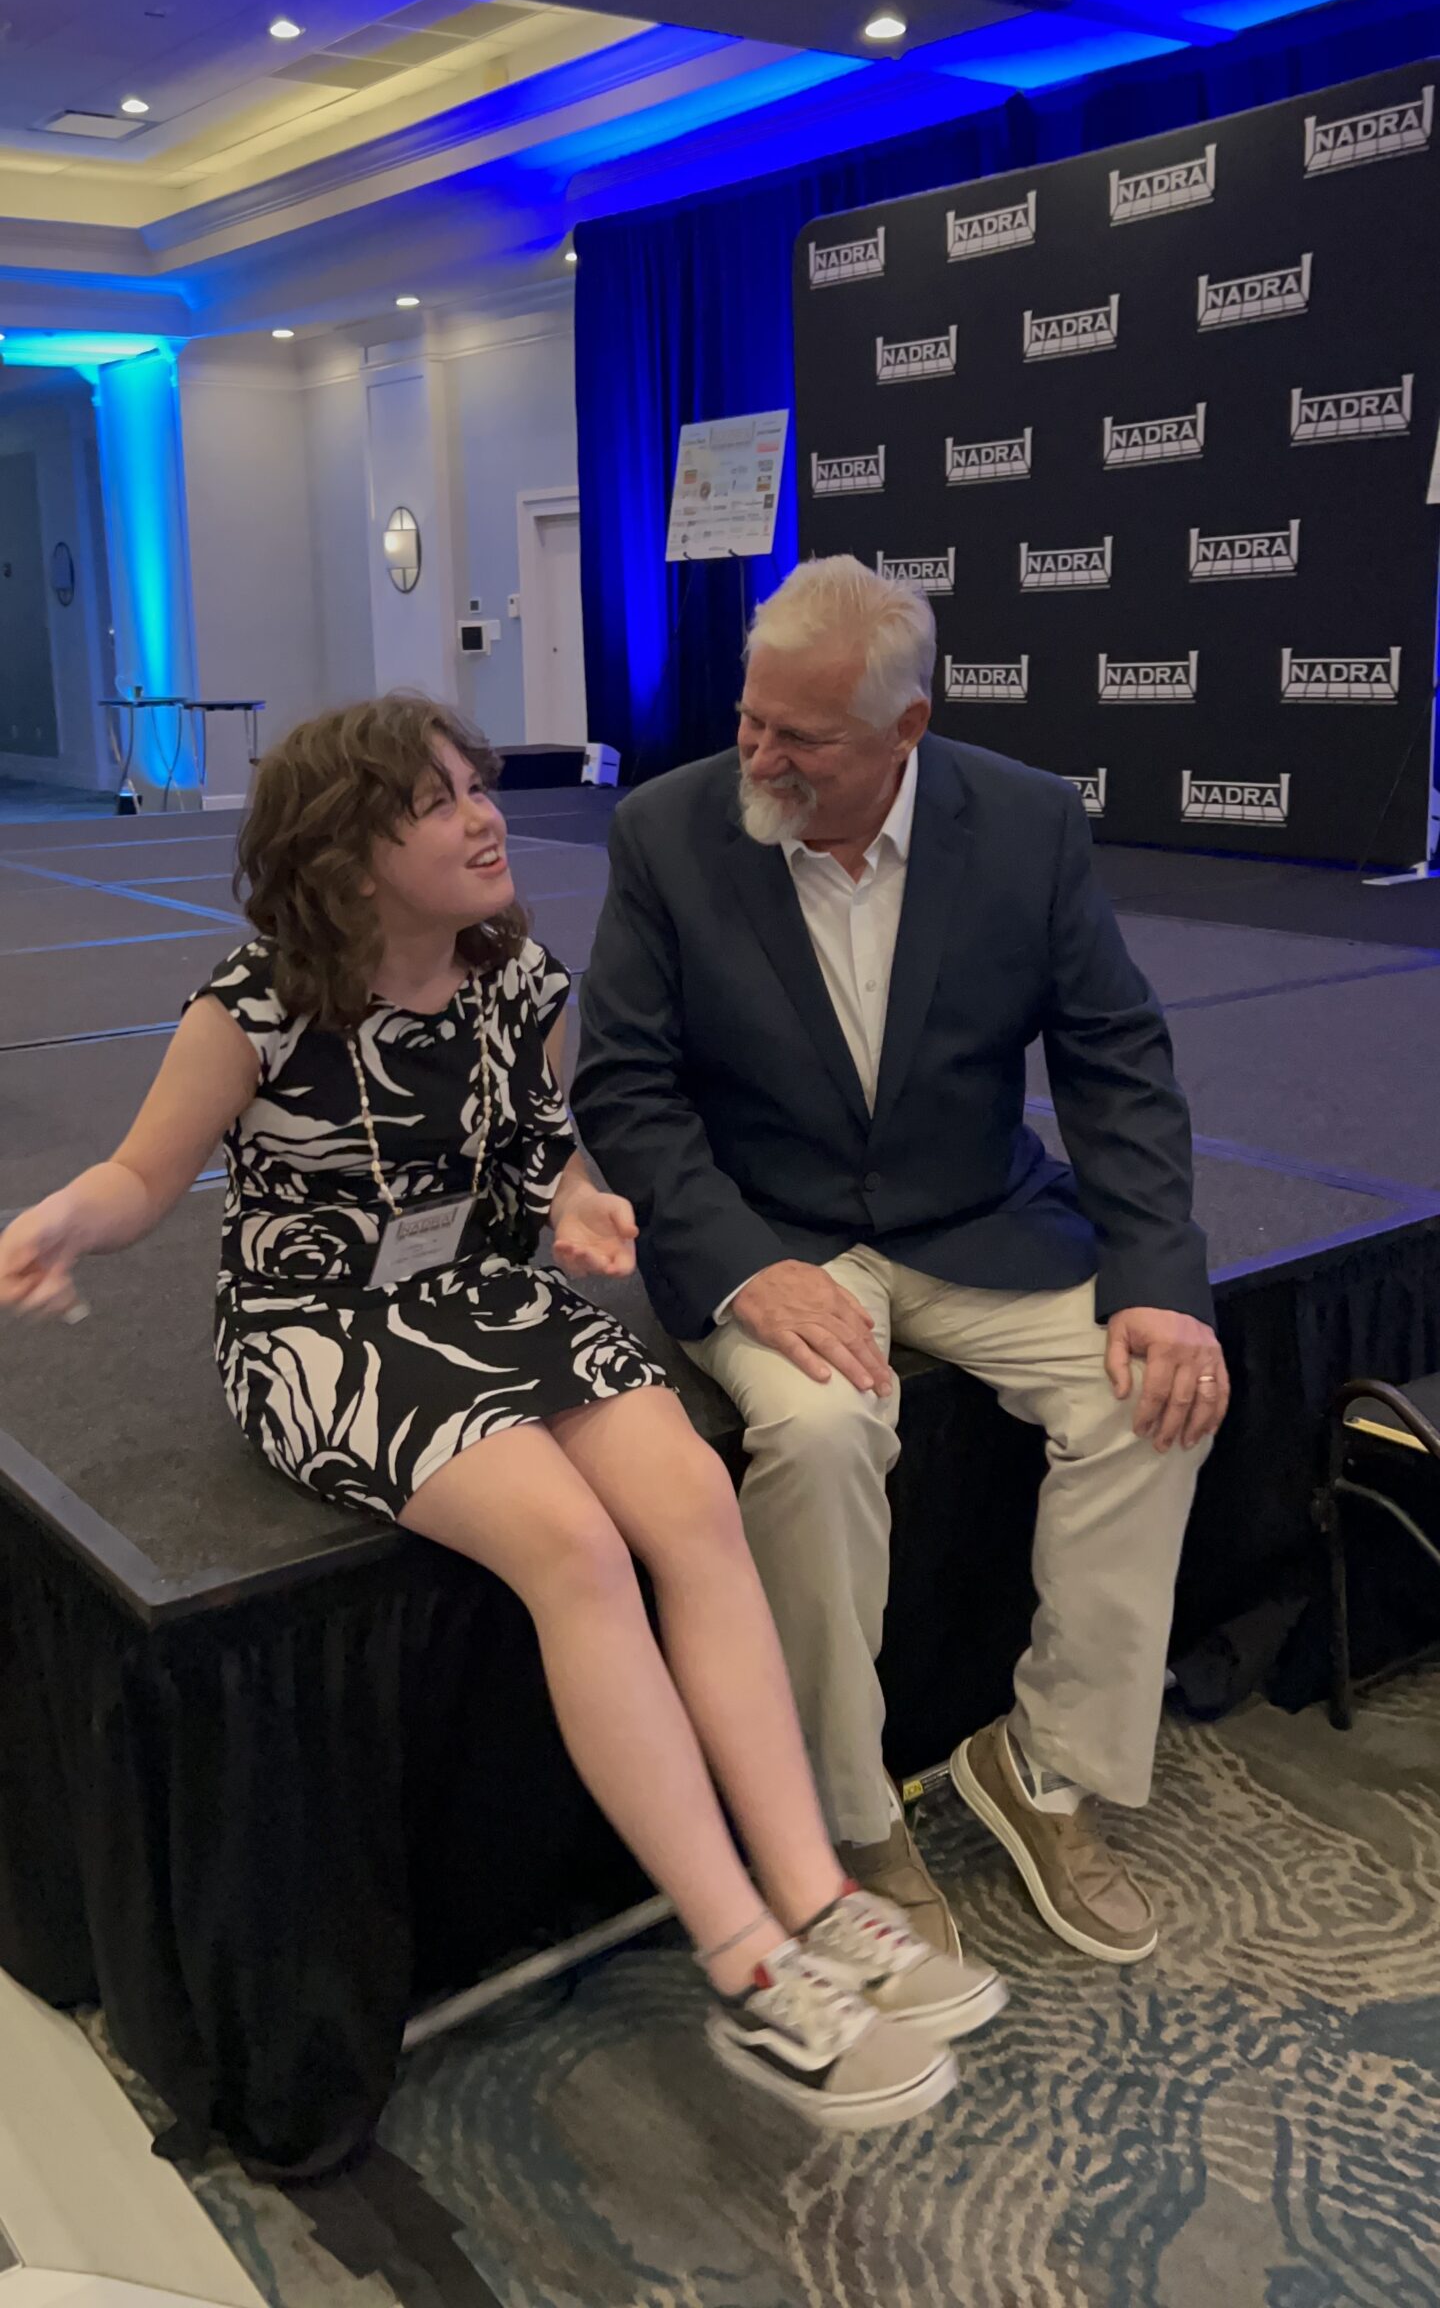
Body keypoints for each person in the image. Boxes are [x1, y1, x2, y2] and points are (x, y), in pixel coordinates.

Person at [0, 694, 1009, 2133]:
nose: (486, 818)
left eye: (477, 787)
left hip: (486, 1300)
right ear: (345, 857)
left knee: (694, 1501)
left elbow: (543, 1154)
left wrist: (582, 1204)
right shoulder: (250, 1009)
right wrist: (62, 1223)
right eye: (438, 803)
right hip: (319, 1328)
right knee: (573, 1548)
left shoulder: (520, 979)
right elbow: (142, 1177)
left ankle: (817, 1893)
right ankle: (748, 1959)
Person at [573, 556, 1230, 1968]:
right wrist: (742, 1268)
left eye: (801, 738)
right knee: (818, 1433)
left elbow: (1116, 1060)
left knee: (1155, 1396)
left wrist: (1163, 1283)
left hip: (978, 1217)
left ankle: (1044, 1768)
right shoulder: (668, 831)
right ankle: (843, 1815)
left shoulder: (1027, 824)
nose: (759, 757)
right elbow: (623, 1086)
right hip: (770, 1233)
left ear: (907, 729)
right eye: (750, 719)